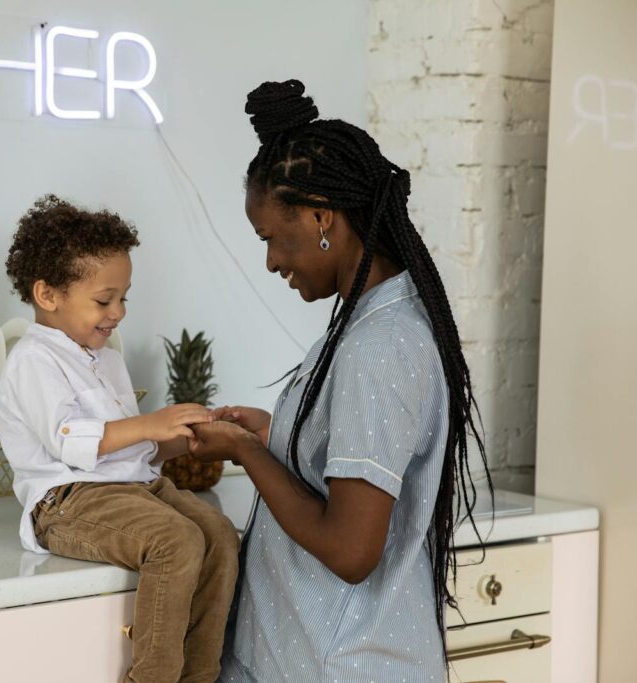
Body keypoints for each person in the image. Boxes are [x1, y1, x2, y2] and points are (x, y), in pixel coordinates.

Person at [186, 80, 492, 682]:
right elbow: (360, 463)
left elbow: (352, 549)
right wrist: (277, 435)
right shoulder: (375, 322)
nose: (272, 261)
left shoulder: (376, 345)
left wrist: (249, 453)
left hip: (338, 666)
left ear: (322, 216)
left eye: (271, 237)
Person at [0, 194, 240, 683]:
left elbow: (125, 446)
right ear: (47, 295)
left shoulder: (104, 357)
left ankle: (201, 675)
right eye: (104, 300)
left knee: (221, 536)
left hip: (131, 491)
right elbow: (71, 441)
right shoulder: (33, 360)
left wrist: (185, 437)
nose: (119, 311)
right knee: (176, 539)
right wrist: (151, 423)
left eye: (124, 297)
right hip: (67, 501)